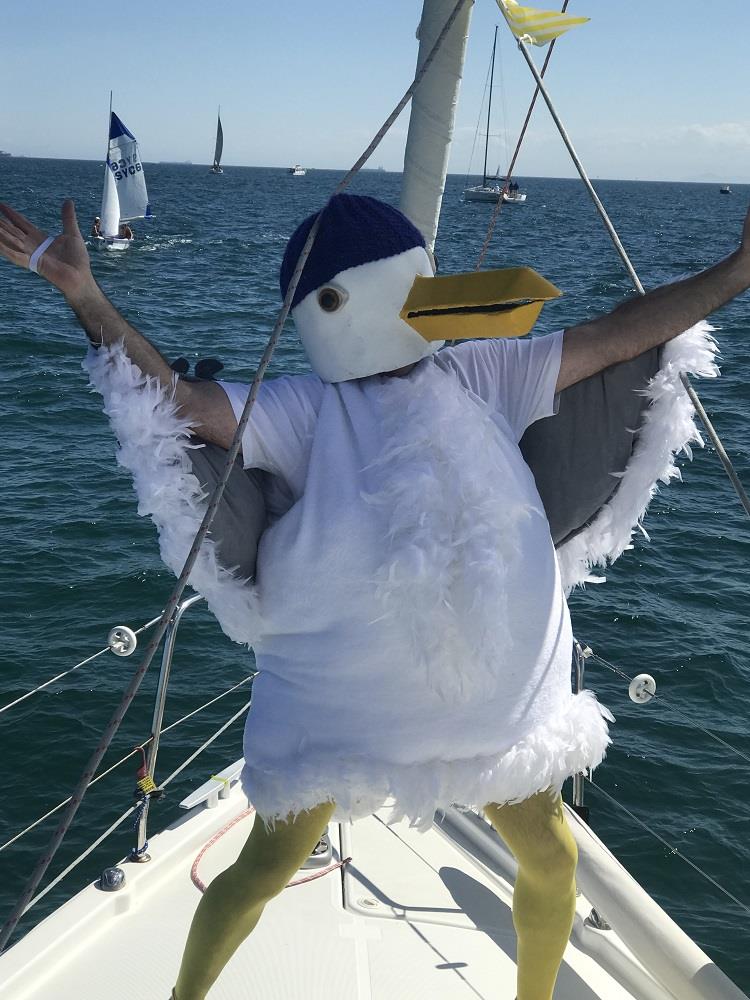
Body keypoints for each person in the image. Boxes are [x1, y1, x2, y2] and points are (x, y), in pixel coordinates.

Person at [0, 194, 748, 1000]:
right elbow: (180, 404)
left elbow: (620, 334)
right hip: (342, 707)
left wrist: (738, 271)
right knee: (263, 868)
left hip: (490, 708)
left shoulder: (488, 372)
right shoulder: (301, 411)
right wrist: (83, 292)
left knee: (551, 855)